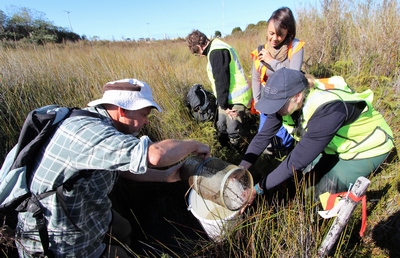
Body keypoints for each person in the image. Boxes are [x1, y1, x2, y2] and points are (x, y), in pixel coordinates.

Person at [15, 78, 211, 257]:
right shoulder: (88, 132)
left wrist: (167, 176)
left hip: (87, 210)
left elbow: (120, 167)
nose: (146, 121)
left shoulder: (101, 124)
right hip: (58, 238)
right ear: (122, 110)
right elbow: (156, 154)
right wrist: (193, 145)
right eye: (144, 114)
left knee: (123, 228)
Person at [240, 68, 395, 209]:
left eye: (278, 104)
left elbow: (296, 161)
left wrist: (258, 189)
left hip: (365, 148)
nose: (274, 109)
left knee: (321, 193)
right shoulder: (284, 103)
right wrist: (240, 170)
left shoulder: (327, 109)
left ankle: (322, 217)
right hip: (332, 145)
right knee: (302, 181)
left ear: (298, 96)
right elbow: (262, 137)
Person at [251, 7, 305, 155]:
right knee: (266, 139)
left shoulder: (295, 47)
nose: (275, 38)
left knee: (286, 138)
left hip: (287, 101)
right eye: (271, 33)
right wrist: (257, 101)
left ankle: (286, 157)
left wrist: (271, 61)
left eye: (280, 34)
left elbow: (293, 77)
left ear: (288, 31)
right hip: (268, 99)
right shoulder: (261, 50)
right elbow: (256, 78)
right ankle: (270, 162)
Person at [186, 30, 252, 148]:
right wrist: (223, 104)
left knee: (233, 130)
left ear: (198, 46)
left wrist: (225, 106)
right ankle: (225, 147)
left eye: (197, 53)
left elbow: (222, 80)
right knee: (221, 125)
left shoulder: (216, 52)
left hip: (236, 96)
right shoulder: (216, 46)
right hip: (227, 97)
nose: (200, 56)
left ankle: (237, 152)